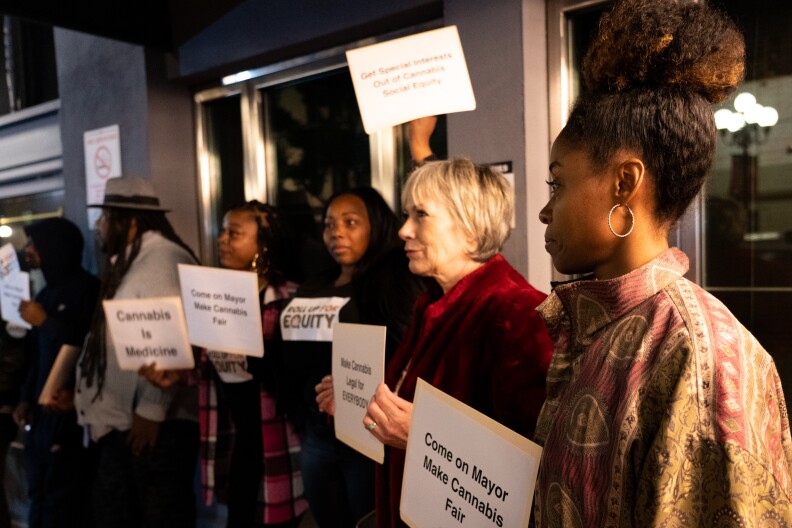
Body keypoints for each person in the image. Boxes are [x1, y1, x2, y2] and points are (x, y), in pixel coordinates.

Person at [532, 0, 792, 524]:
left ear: (623, 183)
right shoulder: (600, 327)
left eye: (557, 183)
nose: (544, 209)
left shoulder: (706, 360)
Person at [365, 159, 553, 528]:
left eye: (421, 215)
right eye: (407, 215)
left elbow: (534, 463)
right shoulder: (432, 303)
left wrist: (424, 434)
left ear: (470, 230)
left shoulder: (516, 312)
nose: (403, 230)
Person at [141, 200, 308, 527]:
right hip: (237, 439)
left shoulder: (289, 299)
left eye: (234, 233)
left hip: (277, 437)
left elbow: (295, 375)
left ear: (263, 243)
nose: (222, 240)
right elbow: (208, 368)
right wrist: (174, 376)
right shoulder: (213, 296)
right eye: (222, 232)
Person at [282, 187, 425, 527]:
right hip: (319, 434)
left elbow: (409, 351)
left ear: (375, 225)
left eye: (350, 222)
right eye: (330, 224)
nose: (337, 233)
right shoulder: (315, 282)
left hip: (368, 438)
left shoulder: (393, 280)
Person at [74, 177, 200, 528]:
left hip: (151, 426)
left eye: (106, 217)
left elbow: (171, 342)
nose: (100, 226)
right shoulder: (136, 258)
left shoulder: (161, 259)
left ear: (128, 221)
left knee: (156, 514)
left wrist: (152, 410)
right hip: (127, 423)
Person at [12, 217, 100, 528]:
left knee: (64, 502)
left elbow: (86, 345)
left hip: (70, 415)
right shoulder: (46, 294)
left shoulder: (87, 290)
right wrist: (25, 399)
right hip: (41, 415)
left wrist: (47, 322)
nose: (29, 250)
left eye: (35, 244)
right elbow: (35, 356)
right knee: (38, 494)